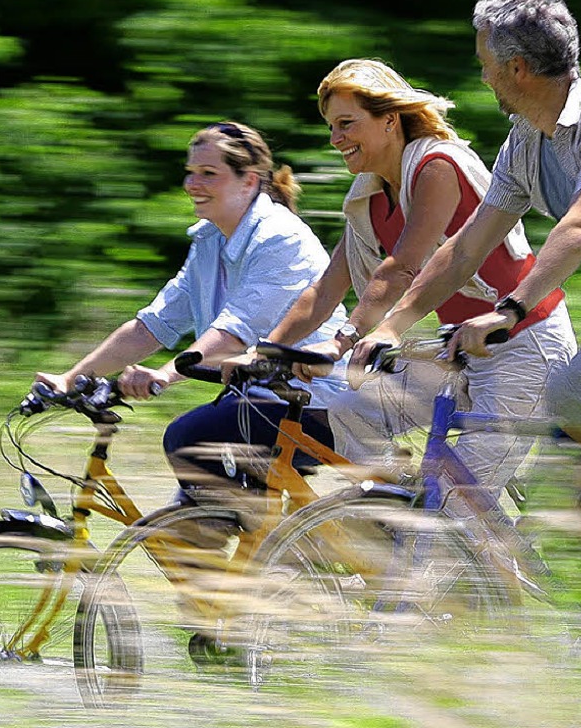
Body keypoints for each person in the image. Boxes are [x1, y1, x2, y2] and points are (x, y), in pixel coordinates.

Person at [258, 58, 576, 490]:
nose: (336, 139)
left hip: (522, 343)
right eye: (331, 127)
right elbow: (327, 288)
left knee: (453, 500)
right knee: (350, 418)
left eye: (347, 124)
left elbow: (402, 267)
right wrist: (267, 351)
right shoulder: (370, 197)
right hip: (455, 348)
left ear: (389, 121)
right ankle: (397, 507)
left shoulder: (437, 167)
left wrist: (344, 340)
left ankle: (441, 530)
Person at [36, 121, 348, 491]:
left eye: (208, 174)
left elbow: (233, 335)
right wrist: (70, 379)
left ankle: (238, 542)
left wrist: (163, 376)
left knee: (190, 439)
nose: (191, 184)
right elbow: (153, 325)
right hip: (264, 400)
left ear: (248, 181)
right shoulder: (209, 240)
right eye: (190, 173)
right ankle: (250, 543)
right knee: (194, 499)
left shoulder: (280, 238)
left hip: (315, 403)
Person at [381, 0, 581, 479]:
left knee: (570, 396)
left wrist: (508, 312)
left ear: (518, 68)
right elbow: (466, 248)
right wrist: (392, 325)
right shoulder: (526, 140)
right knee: (566, 464)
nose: (483, 77)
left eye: (486, 64)